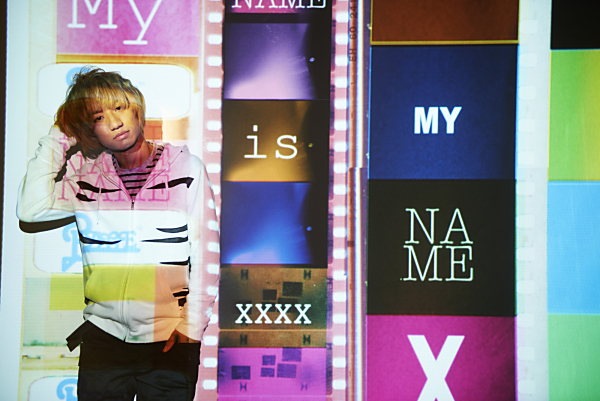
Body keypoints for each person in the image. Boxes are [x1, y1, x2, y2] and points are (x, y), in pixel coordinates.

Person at [17, 67, 219, 400]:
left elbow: (206, 253)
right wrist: (60, 134)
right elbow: (31, 209)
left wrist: (191, 325)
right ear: (89, 129)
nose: (114, 122)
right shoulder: (85, 178)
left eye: (119, 107)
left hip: (170, 339)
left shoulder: (186, 168)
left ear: (136, 109)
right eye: (98, 117)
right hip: (103, 339)